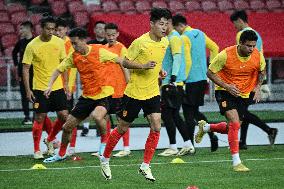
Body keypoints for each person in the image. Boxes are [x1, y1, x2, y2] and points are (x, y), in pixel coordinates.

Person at [42, 27, 155, 163]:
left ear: (84, 40)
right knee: (67, 127)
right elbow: (58, 70)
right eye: (71, 43)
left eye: (75, 43)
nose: (73, 46)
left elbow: (122, 61)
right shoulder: (74, 56)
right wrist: (49, 85)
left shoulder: (99, 51)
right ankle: (61, 154)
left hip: (104, 95)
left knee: (97, 116)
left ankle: (103, 144)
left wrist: (143, 66)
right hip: (87, 97)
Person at [99, 7, 171, 182]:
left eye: (166, 24)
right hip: (134, 93)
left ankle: (145, 165)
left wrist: (159, 71)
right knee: (122, 128)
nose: (164, 27)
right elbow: (125, 62)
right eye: (161, 24)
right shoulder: (140, 42)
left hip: (152, 91)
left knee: (156, 126)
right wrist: (143, 66)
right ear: (151, 24)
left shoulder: (165, 42)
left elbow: (156, 62)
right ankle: (105, 158)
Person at [196, 30, 266, 172]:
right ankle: (236, 162)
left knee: (233, 128)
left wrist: (258, 87)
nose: (251, 49)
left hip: (244, 94)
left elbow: (262, 71)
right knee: (234, 122)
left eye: (253, 46)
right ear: (240, 43)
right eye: (248, 46)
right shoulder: (225, 55)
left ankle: (207, 128)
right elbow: (210, 72)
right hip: (224, 91)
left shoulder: (258, 56)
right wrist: (227, 86)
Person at [230, 10, 278, 149]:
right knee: (243, 110)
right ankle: (243, 142)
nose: (234, 27)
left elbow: (242, 58)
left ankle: (269, 130)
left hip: (247, 79)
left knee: (241, 112)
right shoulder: (257, 35)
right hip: (256, 77)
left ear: (239, 20)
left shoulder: (242, 36)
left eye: (234, 23)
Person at [22, 15, 68, 159]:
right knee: (40, 117)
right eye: (48, 28)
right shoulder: (32, 45)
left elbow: (64, 64)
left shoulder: (59, 43)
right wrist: (28, 90)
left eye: (53, 29)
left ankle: (49, 139)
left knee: (64, 116)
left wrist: (66, 84)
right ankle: (36, 150)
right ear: (41, 28)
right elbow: (25, 68)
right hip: (40, 87)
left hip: (57, 86)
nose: (51, 31)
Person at [172, 14, 219, 152]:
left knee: (188, 114)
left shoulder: (183, 38)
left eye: (176, 29)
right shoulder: (200, 33)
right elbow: (215, 47)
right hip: (202, 79)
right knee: (195, 112)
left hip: (190, 80)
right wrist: (211, 68)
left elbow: (187, 60)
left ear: (179, 26)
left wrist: (183, 79)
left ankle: (190, 146)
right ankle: (212, 134)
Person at [91, 23, 131, 158]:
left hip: (120, 90)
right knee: (104, 118)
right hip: (106, 90)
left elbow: (125, 66)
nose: (111, 37)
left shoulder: (121, 48)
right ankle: (104, 146)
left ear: (118, 34)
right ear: (104, 34)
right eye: (108, 35)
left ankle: (126, 148)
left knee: (122, 119)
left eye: (113, 35)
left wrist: (128, 85)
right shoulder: (102, 48)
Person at [158, 17, 195, 157]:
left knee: (168, 115)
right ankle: (187, 145)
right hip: (173, 83)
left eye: (165, 24)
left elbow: (178, 58)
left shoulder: (174, 38)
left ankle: (174, 146)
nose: (163, 27)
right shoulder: (171, 37)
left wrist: (173, 78)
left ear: (170, 24)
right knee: (174, 115)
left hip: (173, 83)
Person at [55, 17, 78, 156]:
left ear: (66, 30)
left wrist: (69, 86)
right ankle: (52, 140)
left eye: (60, 29)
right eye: (56, 30)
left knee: (69, 117)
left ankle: (71, 147)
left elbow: (72, 68)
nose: (58, 32)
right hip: (54, 85)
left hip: (67, 86)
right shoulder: (55, 43)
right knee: (61, 116)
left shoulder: (70, 44)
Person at [81, 21, 108, 137]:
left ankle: (100, 128)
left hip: (106, 79)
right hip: (91, 79)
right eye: (98, 28)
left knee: (105, 106)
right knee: (87, 104)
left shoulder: (109, 44)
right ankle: (85, 127)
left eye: (103, 28)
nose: (100, 30)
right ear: (94, 30)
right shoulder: (89, 44)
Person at [12, 21, 34, 125]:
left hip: (34, 74)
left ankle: (36, 115)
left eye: (22, 29)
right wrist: (17, 65)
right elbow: (14, 53)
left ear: (28, 29)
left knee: (36, 95)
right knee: (24, 95)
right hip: (23, 74)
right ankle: (27, 116)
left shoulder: (36, 41)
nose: (20, 31)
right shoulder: (20, 42)